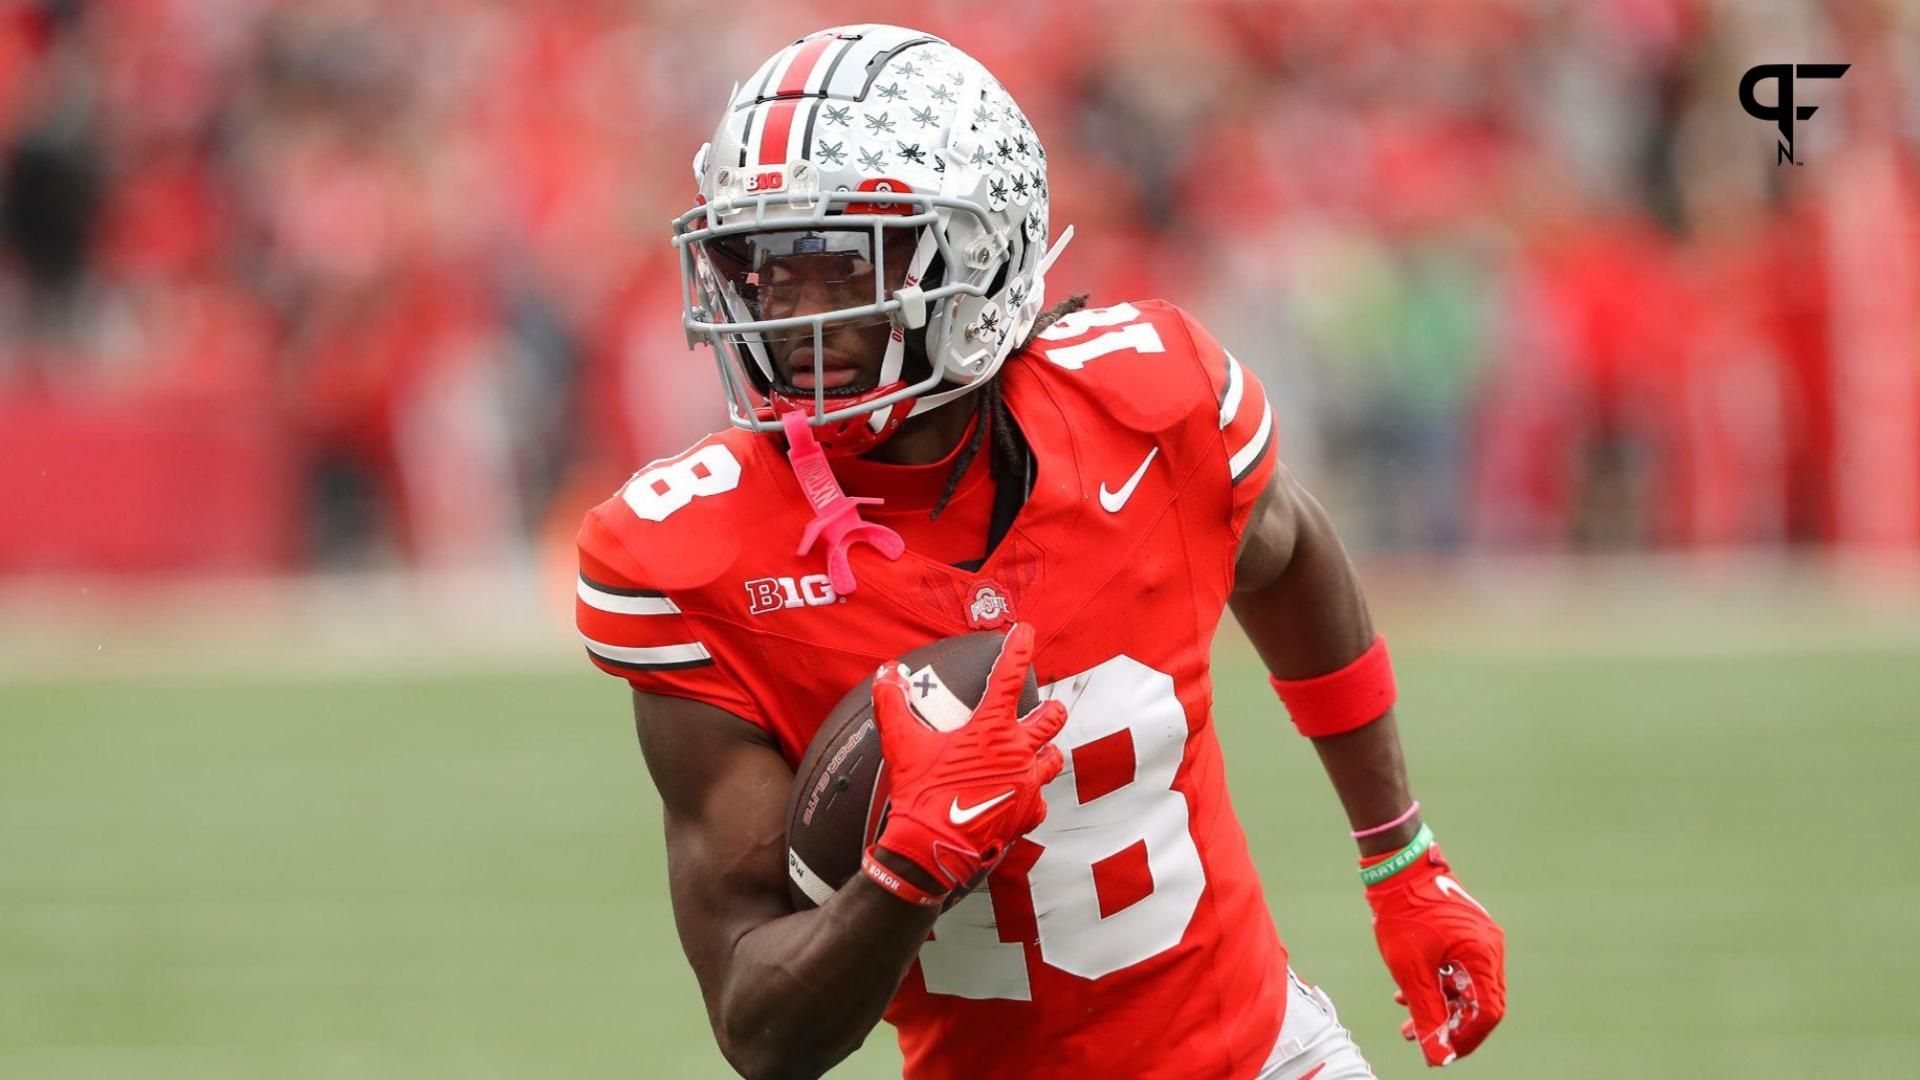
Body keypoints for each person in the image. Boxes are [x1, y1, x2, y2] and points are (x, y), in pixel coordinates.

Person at [576, 24, 1505, 1080]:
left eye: (833, 260)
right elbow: (758, 1027)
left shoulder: (1147, 402)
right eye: (760, 264)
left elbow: (1289, 555)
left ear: (976, 252)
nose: (785, 310)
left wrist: (1401, 855)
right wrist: (907, 873)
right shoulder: (691, 558)